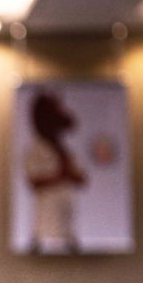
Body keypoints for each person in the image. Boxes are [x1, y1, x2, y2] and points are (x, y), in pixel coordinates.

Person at [24, 91, 86, 254]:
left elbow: (81, 178)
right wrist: (60, 176)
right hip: (45, 225)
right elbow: (34, 182)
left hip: (68, 223)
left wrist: (70, 174)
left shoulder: (65, 150)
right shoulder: (36, 149)